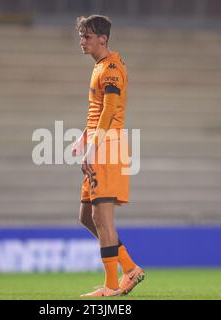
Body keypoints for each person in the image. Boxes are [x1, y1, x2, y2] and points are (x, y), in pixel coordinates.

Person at [72, 15, 145, 297]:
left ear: (103, 38)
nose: (82, 41)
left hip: (108, 147)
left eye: (87, 36)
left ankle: (112, 287)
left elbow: (110, 110)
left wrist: (93, 146)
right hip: (99, 141)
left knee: (103, 219)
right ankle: (130, 269)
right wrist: (84, 135)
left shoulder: (111, 68)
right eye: (81, 36)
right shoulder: (100, 66)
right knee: (87, 217)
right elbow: (98, 110)